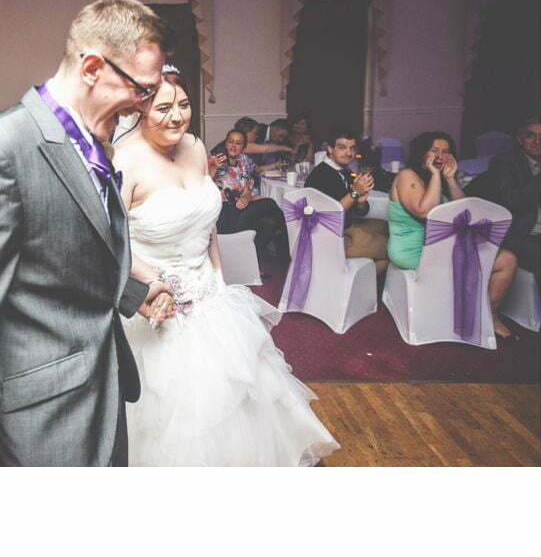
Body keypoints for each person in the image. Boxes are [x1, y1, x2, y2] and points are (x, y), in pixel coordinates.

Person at [0, 0, 174, 466]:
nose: (145, 108)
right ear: (93, 67)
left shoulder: (91, 139)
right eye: (142, 90)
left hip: (100, 388)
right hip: (41, 420)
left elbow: (63, 248)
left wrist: (130, 291)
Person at [110, 67, 338, 465]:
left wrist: (217, 279)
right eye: (163, 108)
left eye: (183, 105)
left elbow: (207, 222)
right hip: (157, 305)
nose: (176, 116)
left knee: (240, 409)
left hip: (212, 297)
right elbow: (112, 242)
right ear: (138, 108)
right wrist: (151, 285)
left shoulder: (195, 147)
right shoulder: (123, 162)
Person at [388, 131, 519, 340]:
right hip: (413, 251)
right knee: (487, 258)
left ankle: (489, 315)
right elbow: (425, 212)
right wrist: (435, 175)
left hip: (443, 247)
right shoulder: (407, 176)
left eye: (446, 152)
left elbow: (464, 211)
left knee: (507, 259)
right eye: (434, 150)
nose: (440, 156)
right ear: (422, 152)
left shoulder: (438, 178)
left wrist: (449, 179)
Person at [305, 129, 388, 273]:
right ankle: (350, 284)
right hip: (331, 237)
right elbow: (329, 215)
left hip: (346, 226)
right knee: (394, 249)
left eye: (352, 148)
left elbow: (359, 211)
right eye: (342, 148)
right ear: (330, 149)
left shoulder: (346, 172)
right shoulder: (320, 175)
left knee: (388, 226)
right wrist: (355, 193)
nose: (349, 153)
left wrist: (361, 200)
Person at [468, 120, 541, 276]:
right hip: (519, 232)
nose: (538, 141)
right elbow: (513, 199)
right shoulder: (505, 162)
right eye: (530, 136)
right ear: (520, 140)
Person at [211, 128, 290, 261]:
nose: (234, 146)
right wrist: (213, 168)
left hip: (240, 209)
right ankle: (289, 245)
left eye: (238, 143)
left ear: (243, 147)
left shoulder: (243, 162)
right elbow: (201, 187)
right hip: (222, 213)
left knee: (269, 223)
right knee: (269, 203)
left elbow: (247, 189)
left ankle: (250, 260)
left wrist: (246, 198)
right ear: (225, 143)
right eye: (230, 142)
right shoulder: (215, 161)